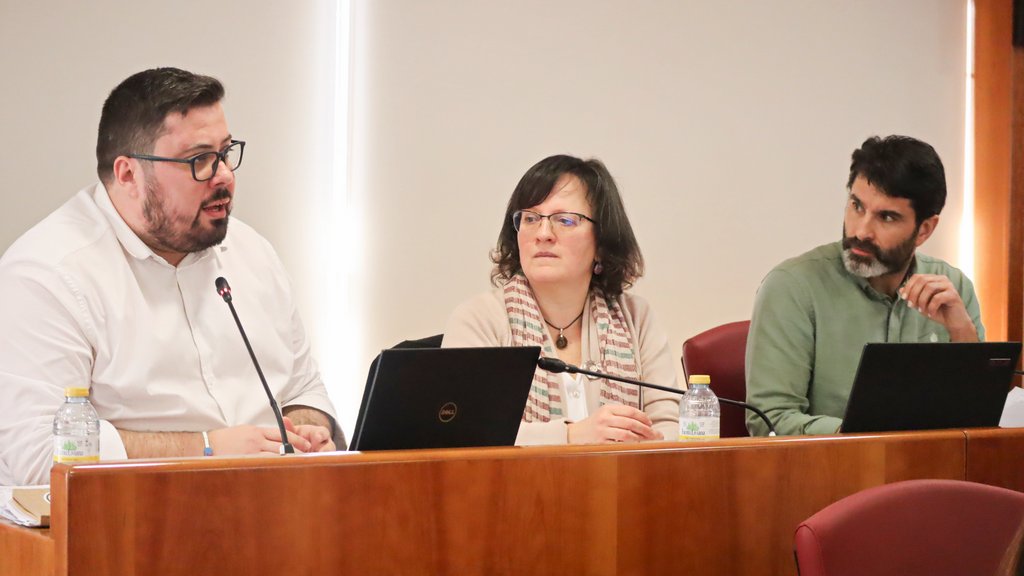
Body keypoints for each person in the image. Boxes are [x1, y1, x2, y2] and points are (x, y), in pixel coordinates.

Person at [0, 68, 342, 486]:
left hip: (271, 504)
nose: (224, 175)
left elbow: (304, 388)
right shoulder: (48, 274)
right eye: (199, 160)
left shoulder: (252, 251)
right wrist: (207, 449)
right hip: (130, 515)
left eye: (225, 152)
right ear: (128, 175)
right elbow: (40, 457)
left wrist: (306, 428)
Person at [745, 135, 984, 436]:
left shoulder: (952, 289)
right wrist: (872, 438)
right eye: (857, 206)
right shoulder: (793, 287)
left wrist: (962, 333)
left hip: (933, 464)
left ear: (924, 229)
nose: (861, 231)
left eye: (886, 217)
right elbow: (770, 421)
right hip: (832, 464)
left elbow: (979, 421)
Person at [443, 155, 679, 445]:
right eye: (531, 218)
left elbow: (670, 428)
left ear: (602, 242)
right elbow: (465, 433)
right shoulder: (479, 319)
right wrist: (570, 436)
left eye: (565, 220)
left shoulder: (636, 317)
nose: (543, 234)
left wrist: (633, 447)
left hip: (623, 475)